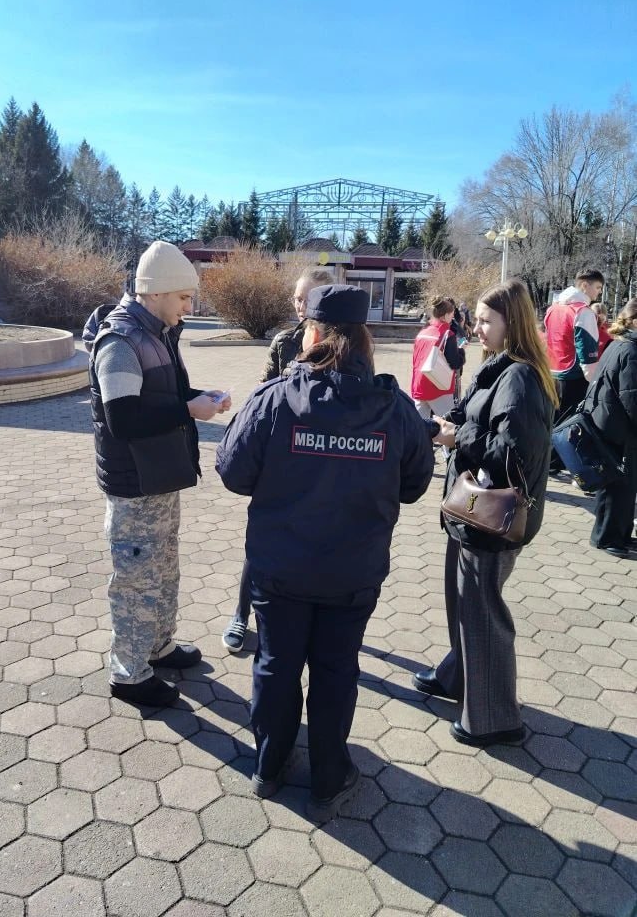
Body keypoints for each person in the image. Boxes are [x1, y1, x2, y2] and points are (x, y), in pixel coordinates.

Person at [216, 285, 434, 821]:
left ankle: (269, 765)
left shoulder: (274, 399)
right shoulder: (395, 409)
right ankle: (328, 776)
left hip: (279, 571)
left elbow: (232, 471)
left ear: (310, 335)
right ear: (365, 339)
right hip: (351, 574)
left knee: (276, 664)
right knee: (337, 670)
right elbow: (416, 483)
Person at [415, 278, 557, 747]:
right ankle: (458, 677)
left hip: (493, 518)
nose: (473, 326)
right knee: (463, 603)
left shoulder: (519, 376)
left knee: (483, 612)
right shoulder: (498, 367)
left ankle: (496, 719)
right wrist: (445, 424)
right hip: (471, 511)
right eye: (474, 317)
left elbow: (516, 454)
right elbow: (476, 417)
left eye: (483, 320)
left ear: (510, 323)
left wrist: (459, 439)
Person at [88, 240, 231, 708]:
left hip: (160, 479)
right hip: (135, 485)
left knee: (163, 567)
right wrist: (187, 410)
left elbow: (168, 392)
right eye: (184, 298)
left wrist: (198, 396)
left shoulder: (158, 331)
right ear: (155, 293)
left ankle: (158, 646)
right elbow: (123, 418)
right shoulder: (121, 341)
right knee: (135, 579)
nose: (189, 307)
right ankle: (129, 674)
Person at [221, 266, 332, 653]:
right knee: (262, 541)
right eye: (298, 298)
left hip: (321, 461)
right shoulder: (286, 342)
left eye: (309, 299)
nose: (301, 306)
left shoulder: (346, 343)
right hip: (280, 459)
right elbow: (263, 389)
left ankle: (314, 618)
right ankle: (241, 615)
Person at [586, 299, 637, 557]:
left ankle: (621, 534)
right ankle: (607, 537)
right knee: (618, 487)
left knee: (624, 487)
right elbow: (632, 396)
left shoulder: (619, 344)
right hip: (617, 429)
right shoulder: (630, 350)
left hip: (610, 424)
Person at [545, 267, 604, 474]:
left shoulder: (554, 308)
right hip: (574, 374)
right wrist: (594, 380)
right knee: (570, 423)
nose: (598, 293)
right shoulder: (583, 312)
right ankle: (557, 463)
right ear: (584, 285)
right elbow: (586, 349)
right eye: (597, 287)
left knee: (553, 419)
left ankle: (548, 461)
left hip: (552, 370)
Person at [411, 296, 465, 420]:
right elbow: (455, 363)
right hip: (438, 386)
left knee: (418, 427)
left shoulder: (423, 333)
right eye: (451, 314)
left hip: (419, 385)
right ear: (445, 315)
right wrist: (461, 351)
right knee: (450, 425)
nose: (453, 317)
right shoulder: (447, 334)